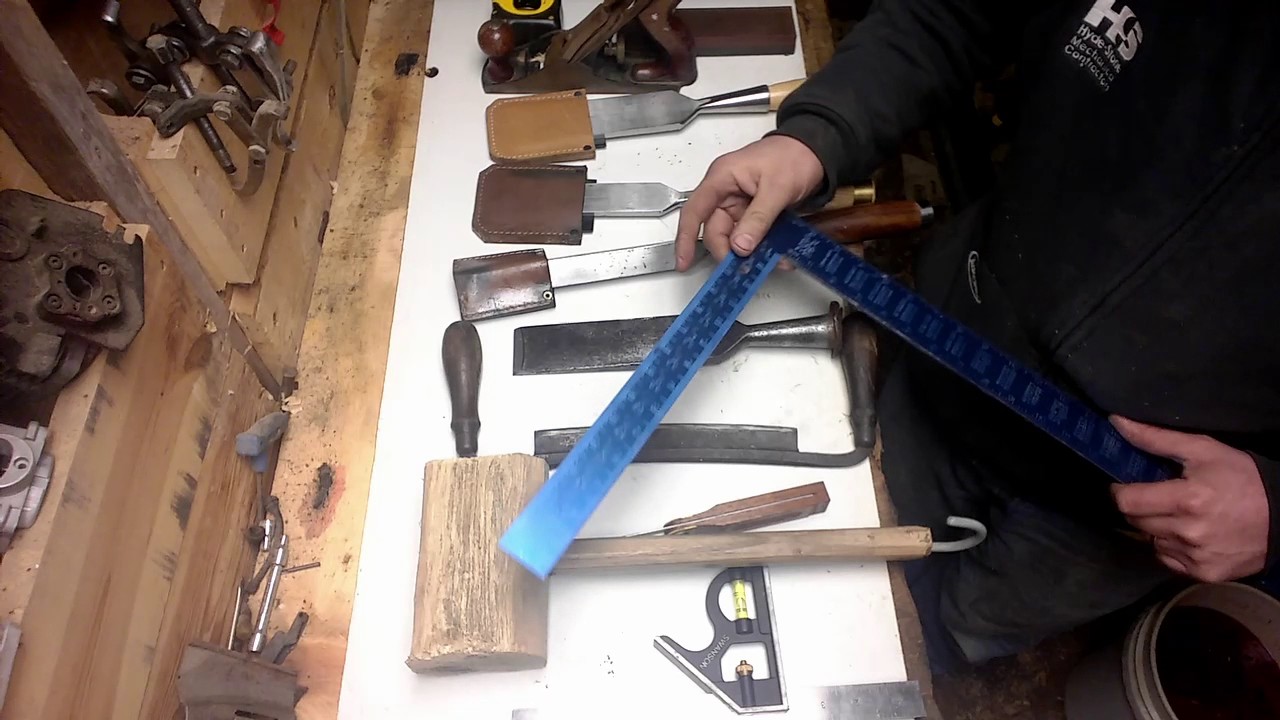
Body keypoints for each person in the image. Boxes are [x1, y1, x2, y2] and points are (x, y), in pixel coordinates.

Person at [674, 0, 1280, 670]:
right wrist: (815, 136)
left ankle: (937, 651)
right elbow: (954, 13)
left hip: (1139, 513)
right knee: (848, 577)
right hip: (952, 357)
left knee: (938, 638)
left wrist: (1277, 511)